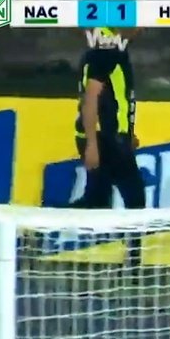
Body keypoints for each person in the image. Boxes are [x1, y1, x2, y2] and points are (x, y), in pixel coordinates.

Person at [73, 27, 145, 268]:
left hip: (112, 138)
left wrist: (128, 133)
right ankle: (135, 272)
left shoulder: (107, 50)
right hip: (105, 140)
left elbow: (116, 99)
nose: (142, 27)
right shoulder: (108, 51)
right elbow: (91, 100)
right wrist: (93, 145)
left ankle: (37, 226)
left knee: (96, 202)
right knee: (135, 201)